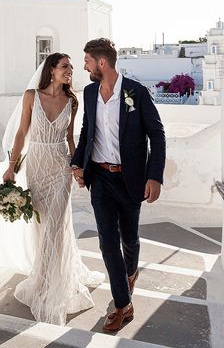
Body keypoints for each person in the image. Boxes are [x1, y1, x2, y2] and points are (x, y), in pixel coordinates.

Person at [70, 38, 166, 333]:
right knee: (106, 241)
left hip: (131, 179)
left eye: (87, 60)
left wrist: (155, 176)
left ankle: (132, 271)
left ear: (101, 63)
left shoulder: (136, 92)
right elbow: (88, 129)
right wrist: (78, 162)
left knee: (130, 239)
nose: (84, 66)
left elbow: (157, 134)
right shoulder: (89, 92)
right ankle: (122, 304)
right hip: (100, 178)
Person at [3, 52, 104, 325]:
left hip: (60, 167)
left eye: (71, 67)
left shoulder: (72, 101)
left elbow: (70, 138)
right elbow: (21, 133)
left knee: (56, 226)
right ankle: (45, 277)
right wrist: (11, 166)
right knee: (41, 224)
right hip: (36, 164)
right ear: (51, 70)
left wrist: (77, 167)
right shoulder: (31, 96)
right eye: (65, 66)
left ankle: (50, 286)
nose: (70, 70)